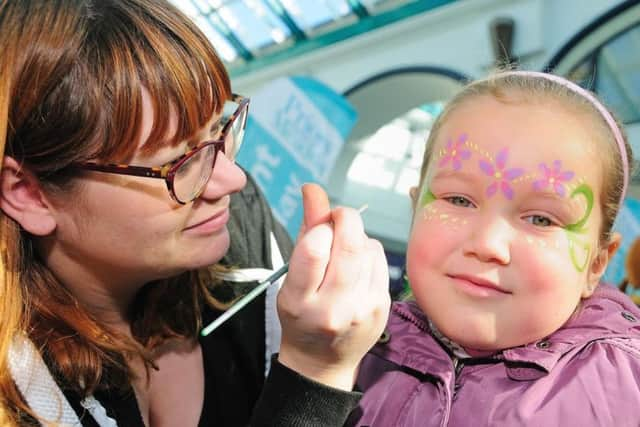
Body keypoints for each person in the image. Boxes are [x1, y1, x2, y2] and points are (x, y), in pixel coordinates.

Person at [0, 1, 391, 426]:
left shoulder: (239, 230)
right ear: (29, 194)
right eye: (180, 165)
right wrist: (315, 377)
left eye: (218, 132)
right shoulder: (23, 392)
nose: (232, 180)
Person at [348, 71, 640, 426]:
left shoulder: (626, 394)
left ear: (596, 264)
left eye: (541, 220)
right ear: (415, 212)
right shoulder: (345, 350)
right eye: (458, 199)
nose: (488, 244)